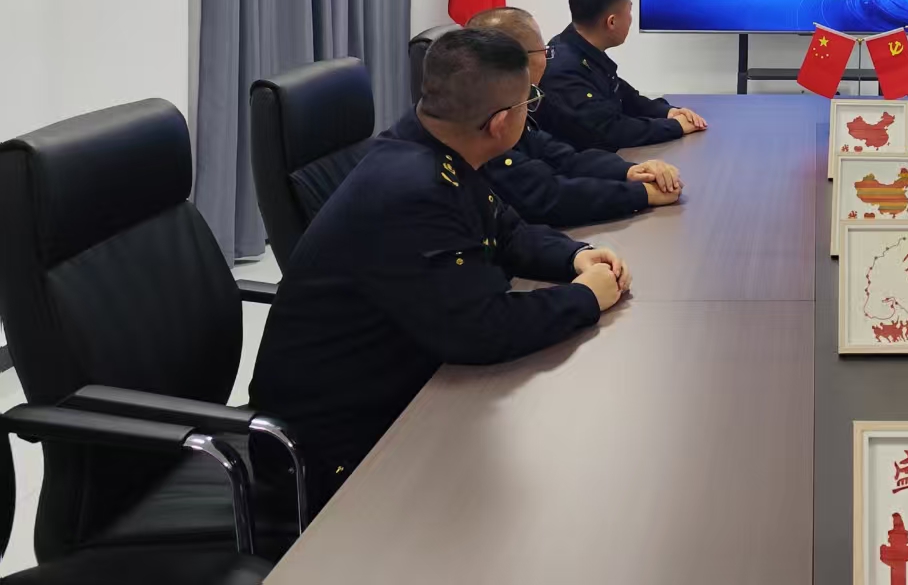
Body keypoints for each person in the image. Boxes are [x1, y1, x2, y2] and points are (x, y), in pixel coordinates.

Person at [250, 27, 631, 511]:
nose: (532, 110)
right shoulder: (414, 191)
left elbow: (506, 229)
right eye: (529, 102)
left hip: (400, 385)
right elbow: (482, 330)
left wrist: (574, 256)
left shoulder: (431, 143)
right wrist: (585, 297)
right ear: (500, 123)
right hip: (335, 452)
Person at [466, 5, 684, 225]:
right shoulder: (485, 123)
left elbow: (565, 159)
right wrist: (641, 194)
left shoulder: (500, 102)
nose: (548, 57)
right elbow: (547, 197)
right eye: (544, 51)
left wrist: (631, 171)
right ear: (516, 59)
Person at [537, 0, 707, 151]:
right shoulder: (563, 70)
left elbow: (623, 96)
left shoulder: (580, 48)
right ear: (612, 22)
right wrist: (676, 126)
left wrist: (668, 112)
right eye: (629, 11)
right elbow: (610, 131)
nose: (630, 19)